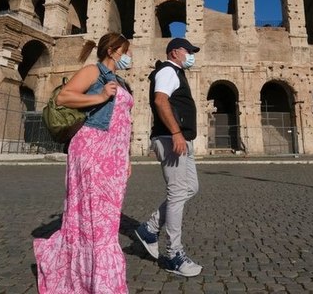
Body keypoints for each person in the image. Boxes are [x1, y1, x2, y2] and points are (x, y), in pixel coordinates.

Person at [33, 32, 134, 294]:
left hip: (114, 155)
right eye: (125, 51)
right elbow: (63, 98)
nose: (128, 56)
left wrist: (127, 157)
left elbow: (123, 124)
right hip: (92, 149)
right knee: (94, 216)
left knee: (108, 218)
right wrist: (99, 97)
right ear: (112, 51)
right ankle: (99, 281)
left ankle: (95, 275)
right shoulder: (93, 71)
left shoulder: (120, 81)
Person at [135, 37, 203, 277]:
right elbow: (160, 101)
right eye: (189, 51)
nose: (192, 55)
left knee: (190, 188)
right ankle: (174, 255)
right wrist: (175, 132)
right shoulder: (167, 71)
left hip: (181, 140)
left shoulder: (176, 73)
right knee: (176, 193)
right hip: (170, 139)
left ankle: (149, 228)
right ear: (175, 53)